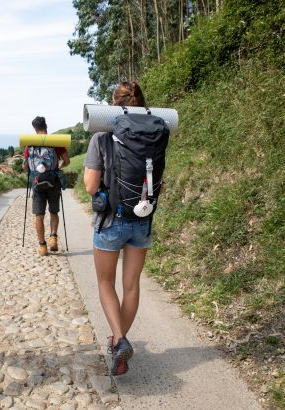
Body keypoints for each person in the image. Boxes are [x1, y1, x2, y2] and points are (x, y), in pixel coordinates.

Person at [83, 81, 158, 376]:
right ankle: (118, 341)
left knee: (105, 283)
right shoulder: (154, 135)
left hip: (111, 221)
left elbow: (90, 186)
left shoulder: (102, 137)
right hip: (143, 219)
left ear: (114, 105)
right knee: (131, 286)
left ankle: (120, 339)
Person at [23, 116, 70, 256]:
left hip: (36, 182)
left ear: (35, 128)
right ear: (46, 126)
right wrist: (57, 168)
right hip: (53, 181)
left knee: (39, 215)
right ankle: (53, 237)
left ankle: (42, 246)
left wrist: (30, 168)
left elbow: (25, 166)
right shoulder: (56, 142)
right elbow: (67, 161)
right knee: (54, 212)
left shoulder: (30, 144)